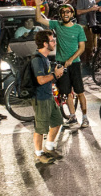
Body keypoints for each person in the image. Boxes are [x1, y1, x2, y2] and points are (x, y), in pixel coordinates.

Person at [33, 0, 89, 128]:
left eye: (68, 12)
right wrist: (37, 5)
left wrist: (70, 59)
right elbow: (39, 18)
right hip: (61, 64)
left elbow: (82, 48)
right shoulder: (57, 25)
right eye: (63, 12)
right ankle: (73, 116)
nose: (65, 14)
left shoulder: (78, 28)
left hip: (74, 64)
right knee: (66, 91)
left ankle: (85, 118)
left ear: (72, 14)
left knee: (80, 92)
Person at [30, 30, 66, 164]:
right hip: (40, 98)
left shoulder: (45, 58)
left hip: (48, 95)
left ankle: (49, 147)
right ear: (45, 43)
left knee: (57, 121)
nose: (54, 43)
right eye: (52, 40)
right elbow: (40, 80)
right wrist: (55, 75)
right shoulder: (37, 59)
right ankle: (38, 153)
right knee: (40, 128)